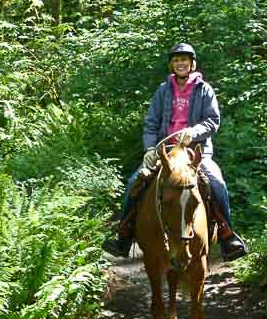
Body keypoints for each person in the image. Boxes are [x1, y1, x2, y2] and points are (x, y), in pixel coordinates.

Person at [102, 43, 247, 262]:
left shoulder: (204, 89)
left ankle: (228, 237)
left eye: (185, 60)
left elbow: (212, 121)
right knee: (135, 182)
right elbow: (151, 123)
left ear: (192, 64)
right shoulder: (163, 90)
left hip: (195, 152)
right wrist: (150, 148)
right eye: (177, 60)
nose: (181, 64)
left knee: (216, 183)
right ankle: (123, 235)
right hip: (166, 153)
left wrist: (194, 132)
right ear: (172, 64)